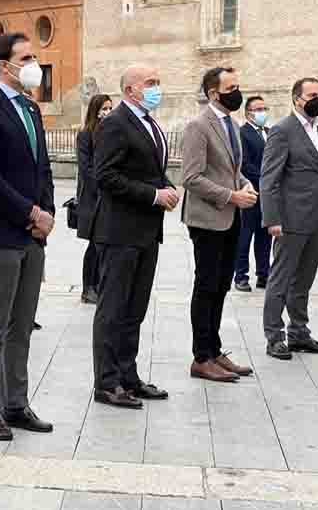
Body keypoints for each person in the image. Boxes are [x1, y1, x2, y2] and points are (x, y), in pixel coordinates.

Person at [0, 33, 55, 441]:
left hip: (33, 236)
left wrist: (47, 212)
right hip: (0, 233)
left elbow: (42, 168)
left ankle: (16, 403)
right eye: (27, 57)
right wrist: (29, 213)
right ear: (5, 65)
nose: (34, 63)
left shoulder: (31, 110)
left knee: (22, 325)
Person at [91, 64, 177, 409]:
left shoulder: (149, 123)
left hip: (145, 232)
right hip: (120, 231)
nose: (156, 88)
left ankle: (128, 376)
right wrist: (153, 195)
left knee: (134, 309)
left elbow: (148, 171)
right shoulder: (114, 124)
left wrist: (164, 187)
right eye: (150, 83)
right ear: (130, 89)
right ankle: (107, 382)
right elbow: (105, 176)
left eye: (158, 81)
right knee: (112, 309)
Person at [181, 67, 257, 383]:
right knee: (207, 285)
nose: (237, 92)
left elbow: (232, 169)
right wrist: (231, 196)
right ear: (214, 93)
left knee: (222, 285)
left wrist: (246, 184)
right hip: (208, 219)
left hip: (230, 218)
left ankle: (214, 350)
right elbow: (192, 177)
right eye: (231, 87)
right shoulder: (199, 126)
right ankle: (201, 357)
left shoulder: (232, 124)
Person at [260, 77, 318, 360]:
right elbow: (269, 179)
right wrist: (272, 219)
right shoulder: (282, 130)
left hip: (317, 218)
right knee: (280, 280)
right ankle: (274, 336)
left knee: (304, 280)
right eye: (311, 95)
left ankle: (299, 333)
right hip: (290, 219)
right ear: (296, 99)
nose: (317, 99)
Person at [76, 94, 113, 304]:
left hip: (107, 196)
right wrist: (101, 188)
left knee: (103, 243)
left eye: (110, 108)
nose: (107, 112)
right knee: (94, 244)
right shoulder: (85, 134)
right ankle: (88, 288)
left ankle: (99, 285)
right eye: (104, 108)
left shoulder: (110, 133)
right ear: (95, 110)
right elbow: (86, 168)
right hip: (92, 198)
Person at [234, 95, 273, 292]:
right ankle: (240, 275)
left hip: (269, 194)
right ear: (248, 113)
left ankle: (263, 274)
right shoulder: (243, 133)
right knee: (245, 235)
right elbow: (245, 163)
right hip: (251, 190)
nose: (262, 112)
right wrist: (265, 176)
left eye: (264, 108)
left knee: (265, 235)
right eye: (258, 109)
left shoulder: (269, 132)